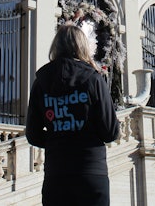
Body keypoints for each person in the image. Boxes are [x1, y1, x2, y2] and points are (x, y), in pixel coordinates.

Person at [26, 24, 120, 206]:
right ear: (82, 47)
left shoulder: (41, 82)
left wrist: (58, 138)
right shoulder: (93, 79)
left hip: (57, 174)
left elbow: (33, 134)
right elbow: (110, 132)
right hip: (91, 172)